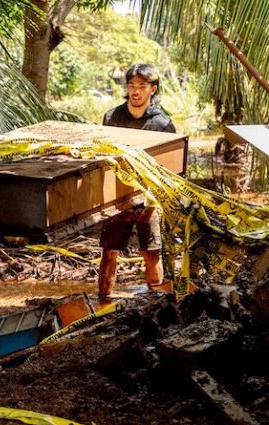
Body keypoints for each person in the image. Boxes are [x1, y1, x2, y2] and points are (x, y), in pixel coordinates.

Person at [99, 63, 176, 299]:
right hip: (117, 198)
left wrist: (155, 202)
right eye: (131, 85)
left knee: (151, 252)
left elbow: (171, 168)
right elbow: (102, 156)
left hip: (149, 199)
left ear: (152, 89)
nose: (135, 91)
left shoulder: (163, 124)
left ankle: (156, 302)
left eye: (142, 86)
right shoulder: (112, 117)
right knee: (109, 251)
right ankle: (103, 300)